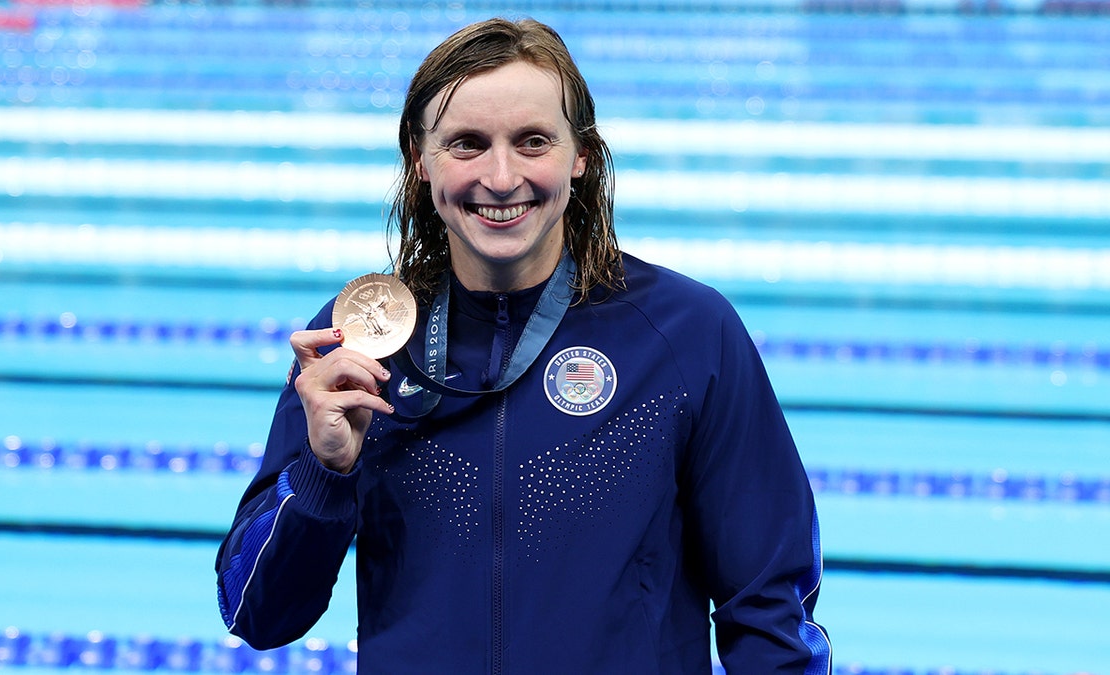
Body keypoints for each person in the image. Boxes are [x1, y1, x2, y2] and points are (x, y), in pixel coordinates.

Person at [216, 17, 832, 674]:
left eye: (533, 141)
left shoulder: (687, 334)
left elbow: (769, 610)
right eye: (467, 144)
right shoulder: (361, 345)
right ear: (421, 161)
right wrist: (324, 470)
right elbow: (257, 613)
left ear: (581, 156)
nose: (502, 177)